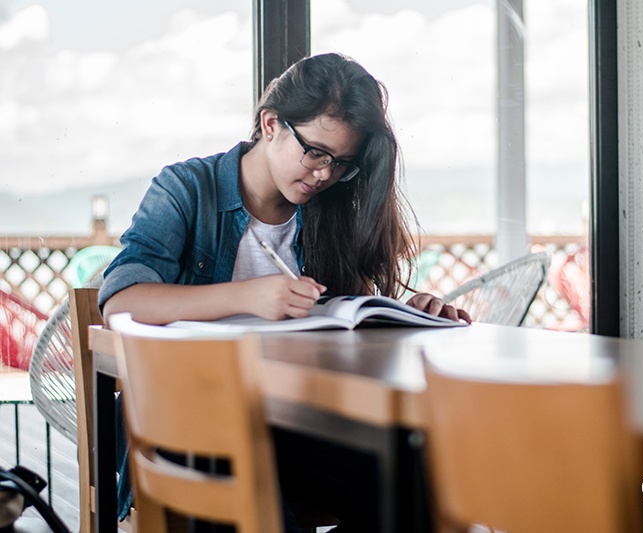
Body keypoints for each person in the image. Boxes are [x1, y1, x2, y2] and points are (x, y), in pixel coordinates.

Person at [99, 52, 470, 531]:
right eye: (315, 152)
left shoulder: (329, 211)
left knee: (419, 480)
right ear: (270, 123)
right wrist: (248, 297)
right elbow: (121, 301)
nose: (323, 175)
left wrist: (404, 314)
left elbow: (340, 321)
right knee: (239, 478)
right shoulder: (187, 189)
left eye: (341, 163)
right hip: (189, 418)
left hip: (296, 420)